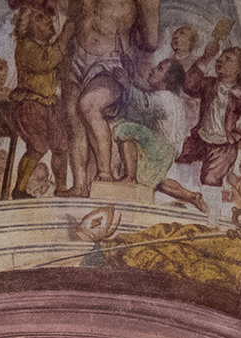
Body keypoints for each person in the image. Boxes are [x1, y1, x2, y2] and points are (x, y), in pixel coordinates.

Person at [60, 0, 161, 196]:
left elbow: (150, 41)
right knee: (74, 121)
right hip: (77, 59)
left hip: (110, 62)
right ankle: (80, 185)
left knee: (89, 105)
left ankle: (105, 172)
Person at [175, 42, 241, 222]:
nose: (220, 61)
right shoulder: (209, 84)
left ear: (239, 68)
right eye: (220, 58)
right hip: (201, 137)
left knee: (211, 180)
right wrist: (205, 58)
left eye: (228, 60)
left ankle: (212, 221)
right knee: (183, 160)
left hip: (223, 146)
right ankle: (180, 205)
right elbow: (189, 85)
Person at [113, 59, 206, 211]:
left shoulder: (163, 98)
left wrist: (126, 85)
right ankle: (191, 196)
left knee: (124, 129)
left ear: (167, 80)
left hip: (159, 147)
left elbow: (144, 103)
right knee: (156, 180)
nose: (153, 70)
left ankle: (129, 178)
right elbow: (145, 91)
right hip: (169, 153)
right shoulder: (174, 100)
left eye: (159, 69)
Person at [10, 5, 73, 196]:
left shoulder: (47, 47)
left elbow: (58, 69)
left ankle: (61, 189)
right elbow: (45, 62)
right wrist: (65, 36)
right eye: (40, 17)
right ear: (28, 24)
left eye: (48, 17)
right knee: (37, 147)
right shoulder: (25, 46)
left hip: (50, 104)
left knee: (61, 146)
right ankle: (19, 189)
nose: (48, 20)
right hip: (31, 105)